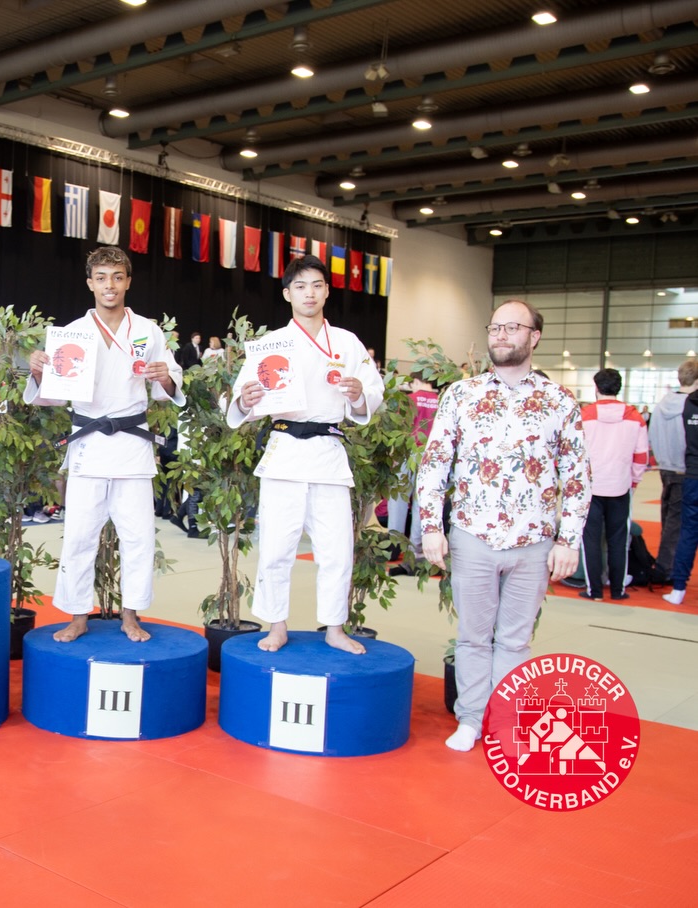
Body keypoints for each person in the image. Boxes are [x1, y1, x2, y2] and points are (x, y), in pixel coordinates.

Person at [417, 300, 591, 752]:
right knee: (473, 637)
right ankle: (472, 719)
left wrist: (568, 538)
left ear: (534, 337)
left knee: (515, 641)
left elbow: (577, 474)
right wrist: (431, 526)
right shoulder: (461, 394)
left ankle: (506, 721)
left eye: (513, 327)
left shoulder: (559, 400)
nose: (500, 334)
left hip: (534, 542)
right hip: (473, 535)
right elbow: (435, 464)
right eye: (495, 326)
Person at [224, 255, 381, 654]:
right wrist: (245, 399)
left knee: (337, 550)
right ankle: (276, 624)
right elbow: (239, 403)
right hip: (285, 452)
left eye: (316, 285)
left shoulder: (346, 342)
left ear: (327, 290)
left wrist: (359, 395)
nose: (309, 293)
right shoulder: (272, 343)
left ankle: (334, 627)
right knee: (277, 546)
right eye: (300, 286)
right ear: (287, 294)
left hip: (328, 453)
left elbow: (372, 390)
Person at [26, 246, 183, 642]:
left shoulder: (148, 330)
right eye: (101, 277)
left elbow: (169, 388)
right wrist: (39, 371)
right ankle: (78, 615)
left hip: (131, 445)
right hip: (89, 444)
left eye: (117, 277)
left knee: (138, 536)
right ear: (90, 283)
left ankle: (131, 615)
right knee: (80, 534)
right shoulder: (72, 334)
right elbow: (53, 396)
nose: (109, 285)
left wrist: (165, 375)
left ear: (128, 282)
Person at [579, 368, 648, 600]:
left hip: (591, 487)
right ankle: (618, 590)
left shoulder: (584, 415)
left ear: (596, 387)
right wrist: (634, 481)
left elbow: (576, 453)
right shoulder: (635, 417)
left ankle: (594, 591)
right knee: (619, 539)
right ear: (619, 387)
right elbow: (642, 457)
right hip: (621, 485)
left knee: (590, 540)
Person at [388, 374, 439, 575]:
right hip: (430, 455)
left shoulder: (409, 400)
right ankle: (416, 552)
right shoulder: (439, 401)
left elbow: (400, 429)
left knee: (398, 500)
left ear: (415, 382)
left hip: (407, 452)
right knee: (421, 503)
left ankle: (393, 545)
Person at [651, 359, 698, 583]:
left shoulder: (662, 404)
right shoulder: (690, 407)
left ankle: (664, 563)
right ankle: (667, 568)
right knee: (678, 524)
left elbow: (654, 435)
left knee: (668, 518)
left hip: (665, 467)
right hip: (684, 469)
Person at [661, 382, 698, 606]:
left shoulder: (689, 404)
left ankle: (678, 588)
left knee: (688, 532)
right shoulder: (687, 403)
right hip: (691, 473)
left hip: (692, 475)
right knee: (687, 532)